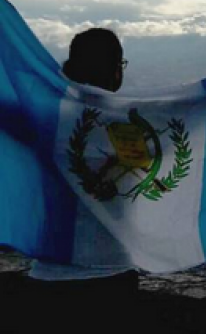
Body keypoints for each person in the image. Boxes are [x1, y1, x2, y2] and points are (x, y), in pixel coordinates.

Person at [25, 29, 138, 301]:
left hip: (49, 273)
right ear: (115, 71)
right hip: (110, 271)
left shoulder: (42, 120)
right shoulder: (133, 124)